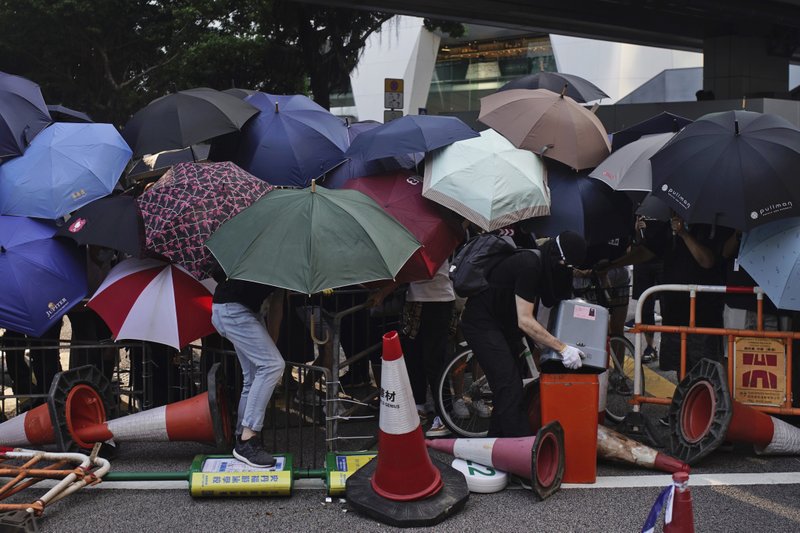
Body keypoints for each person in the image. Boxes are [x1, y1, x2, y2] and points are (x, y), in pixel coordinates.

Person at [460, 230, 588, 437]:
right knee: (509, 387)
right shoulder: (530, 265)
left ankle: (495, 445)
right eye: (566, 266)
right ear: (557, 257)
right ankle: (520, 450)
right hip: (482, 324)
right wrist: (562, 348)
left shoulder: (542, 264)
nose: (566, 271)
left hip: (503, 324)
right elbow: (526, 320)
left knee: (510, 388)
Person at [603, 213, 732, 375]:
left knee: (706, 368)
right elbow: (646, 252)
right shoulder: (668, 226)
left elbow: (707, 261)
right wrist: (612, 264)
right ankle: (684, 399)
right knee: (680, 366)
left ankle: (705, 399)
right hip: (674, 308)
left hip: (705, 311)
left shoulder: (712, 224)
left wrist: (684, 234)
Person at [211, 276, 286, 468]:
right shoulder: (275, 254)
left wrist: (271, 347)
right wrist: (270, 355)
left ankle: (241, 437)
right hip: (231, 310)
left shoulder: (284, 261)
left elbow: (277, 305)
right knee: (273, 366)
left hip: (243, 310)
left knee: (254, 377)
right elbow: (276, 304)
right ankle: (247, 438)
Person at [398, 260, 457, 438]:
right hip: (414, 300)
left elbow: (424, 269)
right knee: (413, 357)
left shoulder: (438, 236)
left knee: (434, 361)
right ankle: (419, 405)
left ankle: (445, 412)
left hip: (439, 301)